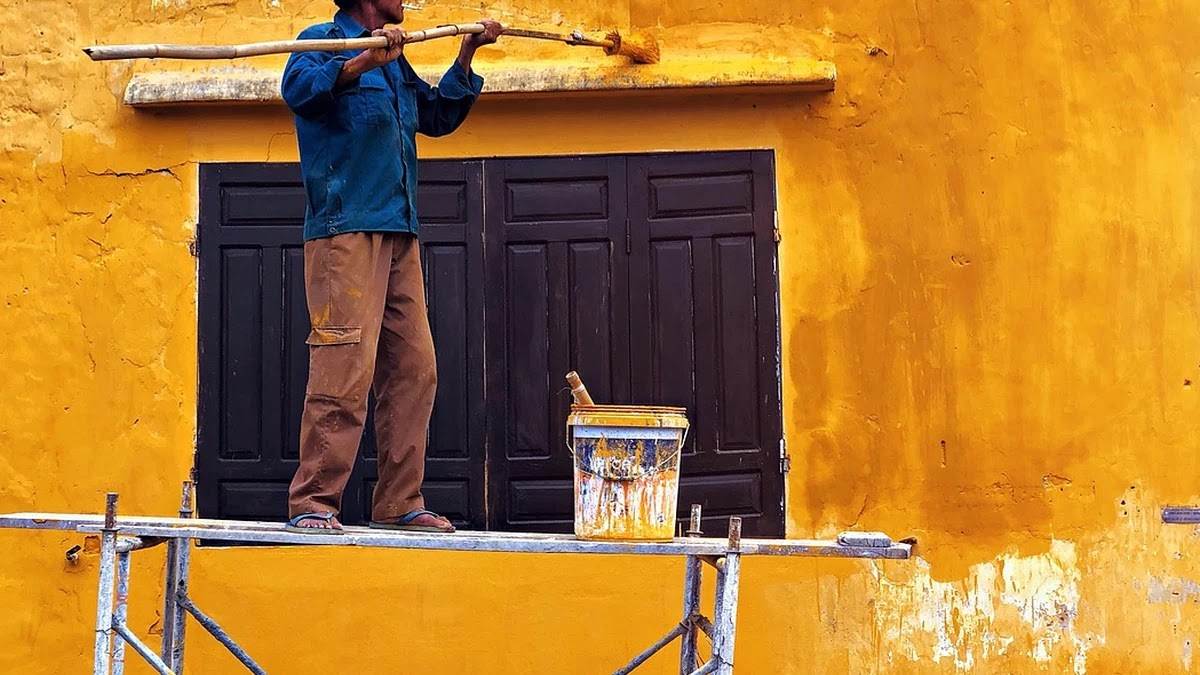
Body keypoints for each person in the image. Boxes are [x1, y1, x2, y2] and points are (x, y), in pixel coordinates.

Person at [278, 0, 503, 534]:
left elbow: (437, 114)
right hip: (345, 229)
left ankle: (400, 502)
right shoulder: (322, 39)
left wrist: (467, 54)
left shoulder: (398, 60)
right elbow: (301, 94)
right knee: (344, 366)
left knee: (414, 369)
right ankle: (313, 501)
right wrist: (360, 63)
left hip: (400, 230)